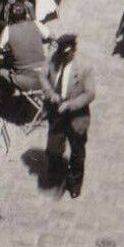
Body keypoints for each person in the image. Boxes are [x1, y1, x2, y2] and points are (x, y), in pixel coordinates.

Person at [43, 33, 95, 198]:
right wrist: (50, 93)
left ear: (73, 51)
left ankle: (75, 183)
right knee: (53, 146)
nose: (62, 59)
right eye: (60, 55)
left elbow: (90, 94)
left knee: (77, 152)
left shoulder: (84, 67)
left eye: (66, 55)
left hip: (76, 115)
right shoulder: (54, 59)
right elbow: (42, 76)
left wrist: (70, 104)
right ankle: (57, 173)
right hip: (57, 112)